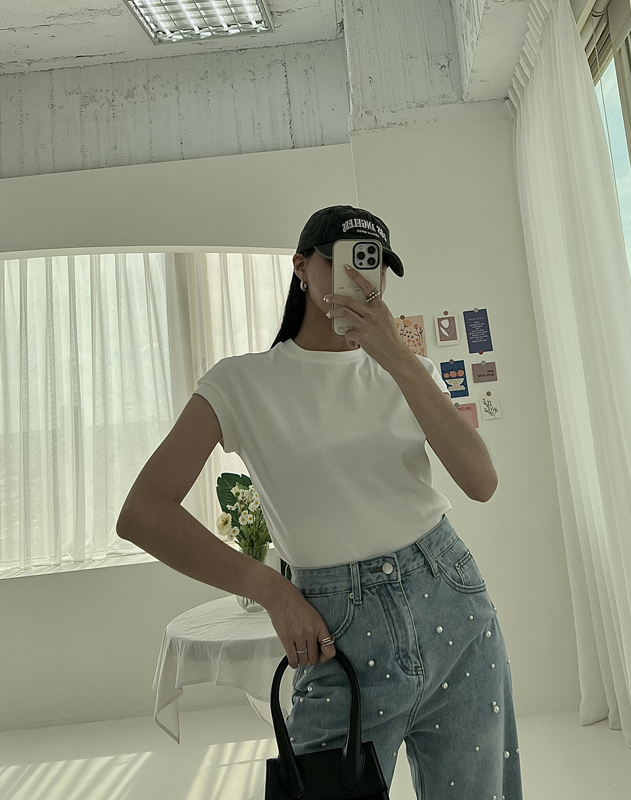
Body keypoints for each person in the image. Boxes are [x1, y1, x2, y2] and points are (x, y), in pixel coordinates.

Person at [118, 205, 523, 798]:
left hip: (453, 606)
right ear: (302, 267)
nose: (362, 279)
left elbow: (481, 481)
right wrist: (273, 589)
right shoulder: (240, 382)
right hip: (338, 633)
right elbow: (143, 512)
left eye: (374, 265)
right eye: (346, 261)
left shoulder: (408, 370)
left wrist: (397, 358)